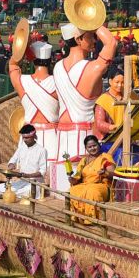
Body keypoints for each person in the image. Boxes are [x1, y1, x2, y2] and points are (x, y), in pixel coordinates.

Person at [54, 22, 117, 193]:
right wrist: (92, 20)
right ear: (78, 39)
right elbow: (111, 43)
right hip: (86, 135)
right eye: (91, 36)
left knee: (61, 187)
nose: (95, 40)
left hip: (62, 135)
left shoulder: (57, 67)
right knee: (86, 188)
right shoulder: (92, 68)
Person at [9, 41, 60, 189]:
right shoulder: (57, 82)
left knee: (25, 178)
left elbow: (13, 64)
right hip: (52, 135)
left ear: (33, 60)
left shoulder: (22, 81)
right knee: (49, 179)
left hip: (28, 134)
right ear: (50, 60)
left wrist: (23, 50)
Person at [68, 135, 115, 223]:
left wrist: (105, 173)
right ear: (86, 148)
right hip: (86, 185)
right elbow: (78, 175)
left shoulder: (105, 158)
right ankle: (78, 216)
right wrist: (73, 179)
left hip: (102, 186)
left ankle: (91, 219)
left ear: (99, 145)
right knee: (73, 190)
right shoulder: (84, 161)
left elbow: (113, 174)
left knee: (92, 191)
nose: (92, 148)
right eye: (89, 147)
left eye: (94, 145)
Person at [0, 124, 48, 199]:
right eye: (23, 138)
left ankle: (10, 195)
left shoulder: (42, 150)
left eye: (27, 138)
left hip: (34, 183)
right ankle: (11, 195)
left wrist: (28, 175)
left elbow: (43, 171)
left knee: (28, 191)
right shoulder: (21, 148)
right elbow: (12, 160)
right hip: (22, 181)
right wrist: (11, 165)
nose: (25, 140)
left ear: (33, 136)